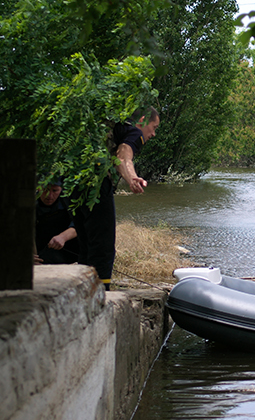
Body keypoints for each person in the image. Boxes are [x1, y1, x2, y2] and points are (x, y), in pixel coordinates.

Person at [76, 108, 160, 289]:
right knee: (103, 248)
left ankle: (81, 292)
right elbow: (124, 155)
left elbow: (117, 156)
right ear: (143, 120)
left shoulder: (112, 125)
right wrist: (132, 178)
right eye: (154, 127)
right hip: (97, 185)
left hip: (75, 181)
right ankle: (101, 295)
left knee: (85, 245)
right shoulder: (134, 131)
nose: (153, 134)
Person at [33, 179, 81, 264]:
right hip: (42, 248)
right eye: (45, 190)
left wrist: (63, 237)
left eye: (54, 190)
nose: (49, 196)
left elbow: (79, 224)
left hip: (68, 248)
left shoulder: (69, 200)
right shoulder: (32, 203)